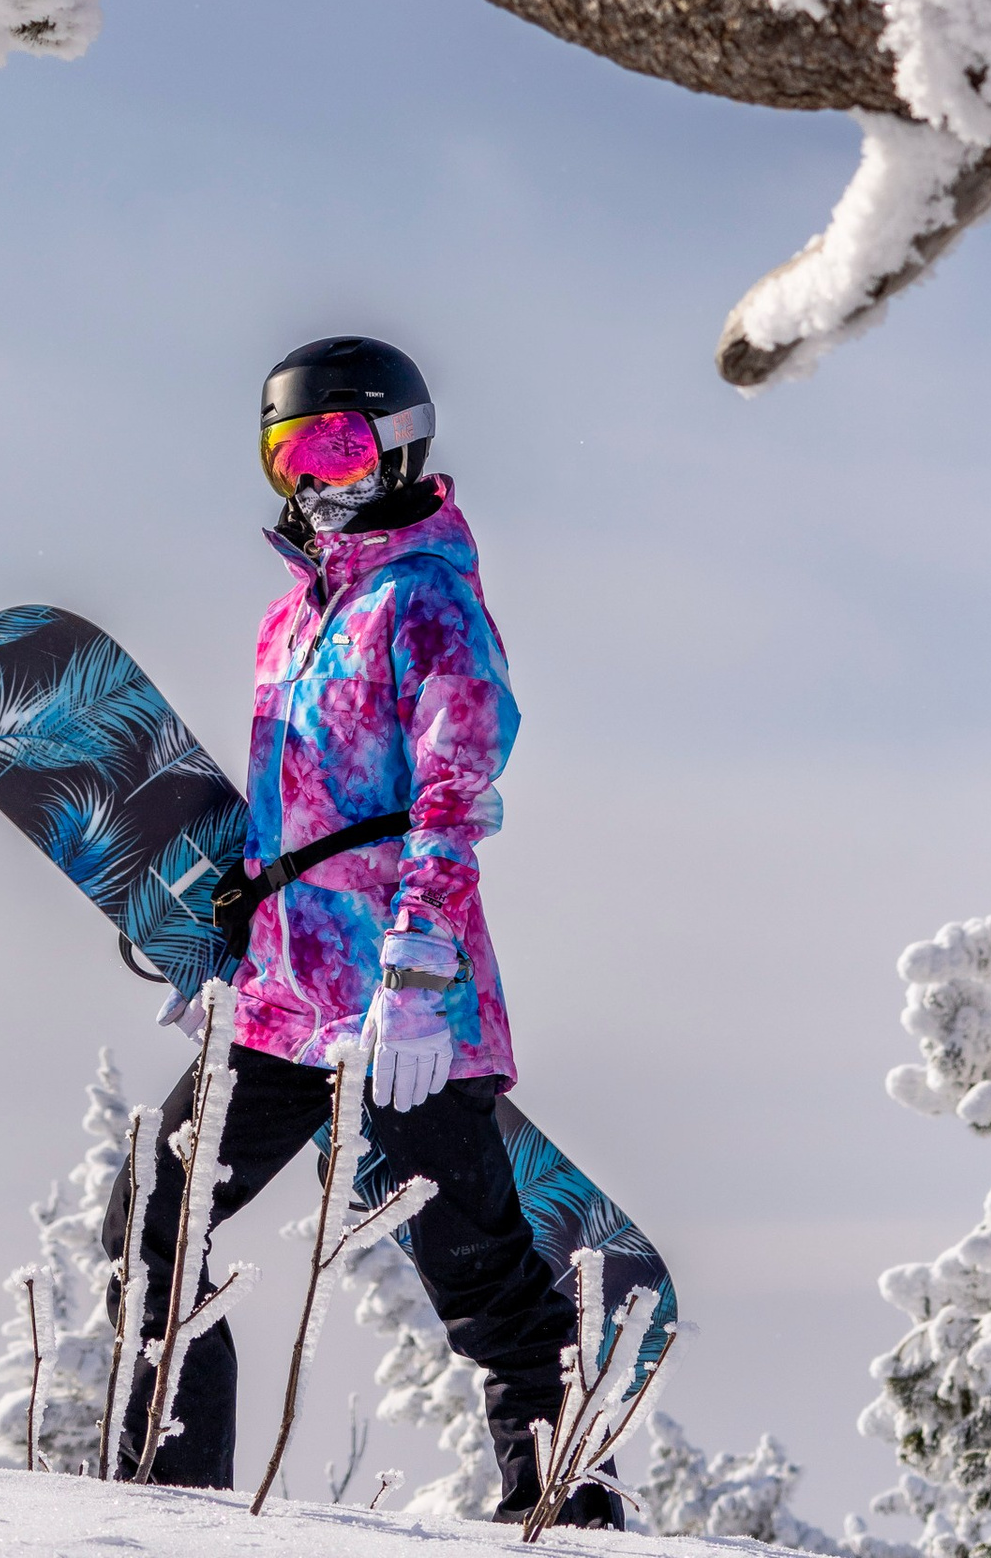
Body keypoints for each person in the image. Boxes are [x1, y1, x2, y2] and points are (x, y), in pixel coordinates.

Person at [105, 332, 618, 1523]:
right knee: (157, 1224)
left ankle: (567, 1508)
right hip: (284, 996)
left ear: (397, 443)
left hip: (402, 1002)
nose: (312, 477)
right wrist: (227, 955)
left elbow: (455, 789)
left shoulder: (427, 597)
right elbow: (285, 809)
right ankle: (166, 1504)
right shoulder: (289, 621)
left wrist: (422, 961)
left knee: (475, 1265)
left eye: (336, 444)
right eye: (287, 452)